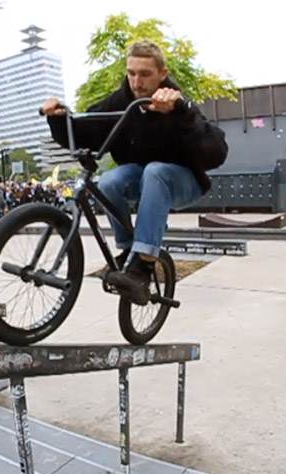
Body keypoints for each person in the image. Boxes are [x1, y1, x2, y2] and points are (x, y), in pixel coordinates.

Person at [41, 39, 229, 304]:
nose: (137, 83)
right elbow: (86, 132)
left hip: (183, 181)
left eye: (145, 75)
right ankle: (130, 252)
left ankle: (143, 265)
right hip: (141, 177)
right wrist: (58, 119)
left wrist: (181, 112)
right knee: (108, 182)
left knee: (156, 171)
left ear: (162, 74)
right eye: (131, 74)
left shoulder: (176, 102)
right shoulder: (120, 102)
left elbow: (216, 152)